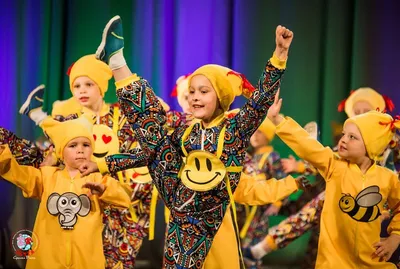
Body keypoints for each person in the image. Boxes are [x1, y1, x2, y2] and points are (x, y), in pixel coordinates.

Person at [82, 15, 293, 268]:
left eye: (203, 92)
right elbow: (151, 153)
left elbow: (260, 101)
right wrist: (104, 165)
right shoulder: (185, 132)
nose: (194, 97)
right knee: (155, 134)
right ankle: (116, 61)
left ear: (221, 97)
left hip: (207, 211)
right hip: (180, 202)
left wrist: (280, 54)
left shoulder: (234, 129)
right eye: (191, 91)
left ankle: (117, 62)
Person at [266, 89, 400, 268]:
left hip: (370, 262)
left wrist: (395, 237)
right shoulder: (334, 165)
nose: (343, 140)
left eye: (352, 137)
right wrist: (277, 120)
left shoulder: (388, 178)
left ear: (370, 146)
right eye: (344, 134)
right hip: (333, 262)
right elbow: (307, 145)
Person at [0, 115, 131, 269]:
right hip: (49, 260)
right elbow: (17, 173)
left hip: (85, 261)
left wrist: (103, 190)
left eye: (86, 145)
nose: (80, 150)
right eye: (73, 145)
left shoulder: (98, 178)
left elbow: (125, 199)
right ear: (61, 152)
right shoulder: (47, 176)